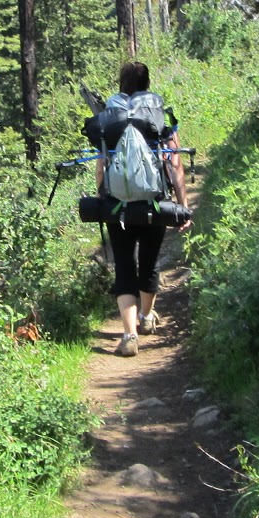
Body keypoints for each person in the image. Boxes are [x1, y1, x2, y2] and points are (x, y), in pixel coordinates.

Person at [96, 61, 191, 357]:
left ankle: (129, 334)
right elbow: (175, 163)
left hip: (118, 203)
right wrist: (182, 203)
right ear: (147, 83)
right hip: (154, 200)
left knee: (124, 264)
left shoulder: (109, 117)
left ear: (121, 84)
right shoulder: (161, 114)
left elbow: (102, 163)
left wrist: (103, 197)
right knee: (149, 261)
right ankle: (147, 318)